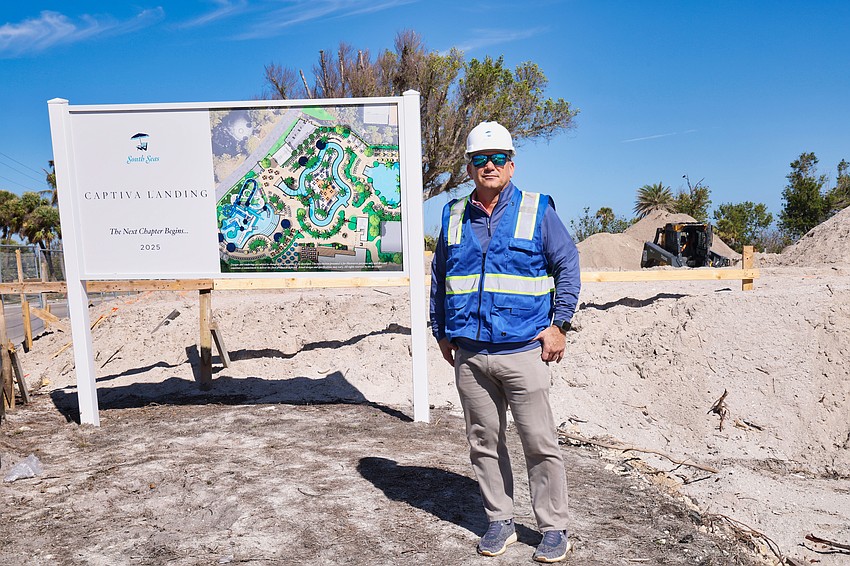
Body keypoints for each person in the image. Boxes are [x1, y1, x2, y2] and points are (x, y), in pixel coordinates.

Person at [429, 121, 581, 563]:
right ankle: (500, 521)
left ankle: (553, 528)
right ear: (470, 167)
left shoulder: (537, 210)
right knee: (483, 441)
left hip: (522, 352)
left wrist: (560, 325)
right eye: (480, 159)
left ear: (512, 165)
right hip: (471, 355)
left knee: (539, 441)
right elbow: (440, 275)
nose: (489, 166)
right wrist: (440, 329)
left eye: (497, 158)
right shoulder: (453, 213)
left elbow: (567, 265)